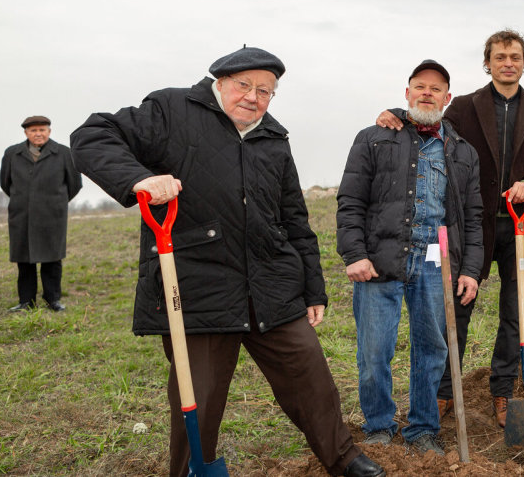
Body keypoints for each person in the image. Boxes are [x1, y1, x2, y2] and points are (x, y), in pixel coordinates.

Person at [70, 47, 384, 477]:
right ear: (219, 82)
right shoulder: (170, 109)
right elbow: (92, 134)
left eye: (266, 91)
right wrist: (138, 178)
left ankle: (343, 458)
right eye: (244, 85)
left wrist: (313, 287)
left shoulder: (273, 137)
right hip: (198, 286)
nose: (254, 97)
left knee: (311, 378)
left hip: (272, 286)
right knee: (197, 398)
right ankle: (189, 470)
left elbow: (294, 217)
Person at [376, 30, 524, 427]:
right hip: (470, 227)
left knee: (515, 314)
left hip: (521, 228)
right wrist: (393, 112)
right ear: (487, 63)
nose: (507, 62)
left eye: (514, 56)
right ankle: (445, 391)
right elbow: (427, 120)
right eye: (499, 56)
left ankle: (502, 390)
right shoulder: (463, 106)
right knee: (456, 310)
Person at [337, 60, 483, 455]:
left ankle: (421, 429)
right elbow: (350, 201)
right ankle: (380, 427)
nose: (427, 93)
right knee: (374, 351)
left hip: (437, 263)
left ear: (447, 99)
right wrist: (354, 254)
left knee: (432, 350)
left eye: (436, 89)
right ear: (406, 93)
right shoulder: (375, 138)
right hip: (380, 261)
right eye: (420, 86)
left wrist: (470, 269)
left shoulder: (463, 153)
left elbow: (472, 218)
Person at [0, 115, 82, 312]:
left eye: (42, 130)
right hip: (22, 216)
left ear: (49, 131)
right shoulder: (12, 153)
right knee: (24, 261)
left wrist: (55, 202)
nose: (38, 134)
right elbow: (6, 183)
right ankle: (26, 302)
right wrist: (25, 201)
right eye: (33, 130)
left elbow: (74, 184)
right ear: (26, 133)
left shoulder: (64, 153)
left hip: (52, 217)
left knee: (52, 260)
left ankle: (52, 300)